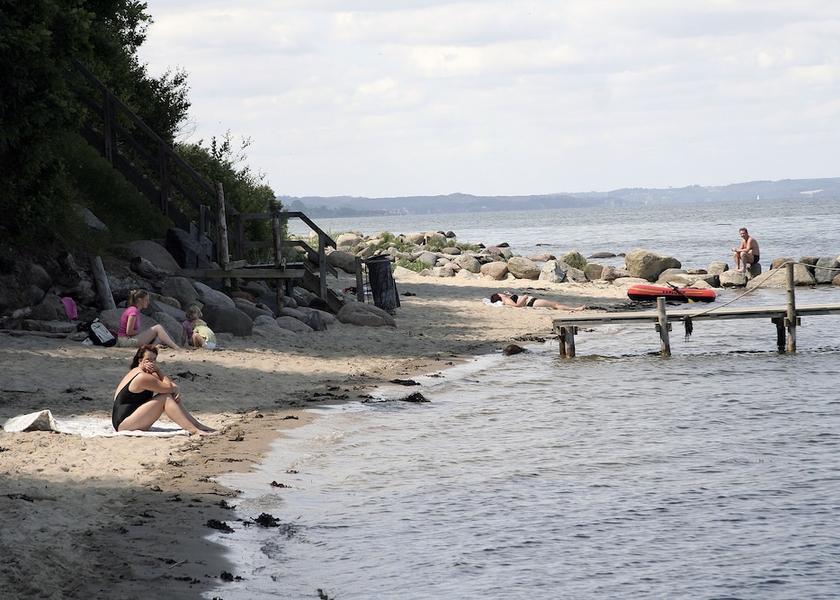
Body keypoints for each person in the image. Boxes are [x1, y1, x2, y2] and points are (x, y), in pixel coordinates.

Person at [112, 344, 216, 435]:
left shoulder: (141, 373)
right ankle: (193, 430)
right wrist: (159, 370)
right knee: (166, 398)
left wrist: (176, 389)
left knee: (169, 395)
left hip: (128, 418)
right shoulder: (142, 377)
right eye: (148, 360)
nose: (152, 363)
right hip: (124, 424)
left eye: (154, 360)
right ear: (140, 360)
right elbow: (169, 387)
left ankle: (197, 425)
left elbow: (170, 386)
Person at [490, 292, 584, 311]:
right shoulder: (506, 299)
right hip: (532, 302)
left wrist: (510, 294)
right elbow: (517, 305)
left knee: (555, 305)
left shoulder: (507, 297)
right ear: (498, 296)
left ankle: (574, 308)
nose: (502, 293)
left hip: (533, 302)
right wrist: (525, 297)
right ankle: (576, 309)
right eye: (500, 293)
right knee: (555, 305)